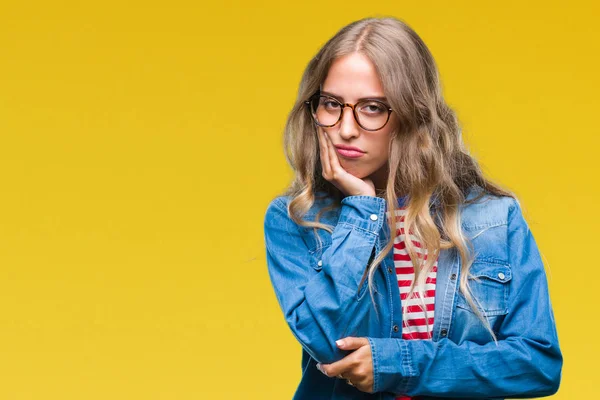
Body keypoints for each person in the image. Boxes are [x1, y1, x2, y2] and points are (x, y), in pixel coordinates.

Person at [262, 16, 562, 400]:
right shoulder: (298, 219)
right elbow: (329, 343)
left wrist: (400, 363)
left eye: (372, 108)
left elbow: (537, 365)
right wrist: (363, 210)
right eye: (332, 104)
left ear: (412, 115)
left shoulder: (492, 219)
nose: (346, 128)